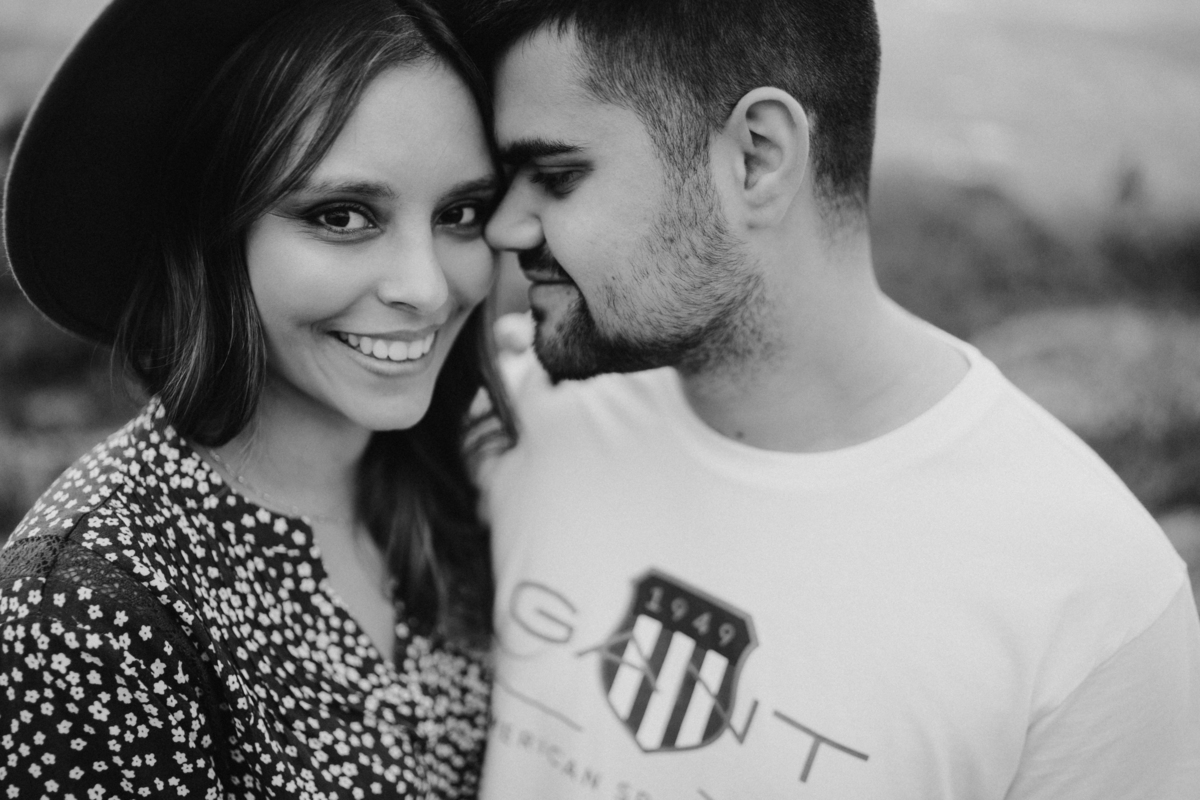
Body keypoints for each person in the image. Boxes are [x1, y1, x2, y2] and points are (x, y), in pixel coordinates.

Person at [452, 1, 1200, 797]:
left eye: (557, 177)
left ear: (758, 158)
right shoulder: (514, 419)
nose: (505, 228)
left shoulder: (1095, 599)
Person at [0, 0, 514, 796]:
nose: (426, 287)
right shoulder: (88, 605)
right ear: (213, 230)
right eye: (343, 216)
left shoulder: (467, 477)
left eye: (461, 213)